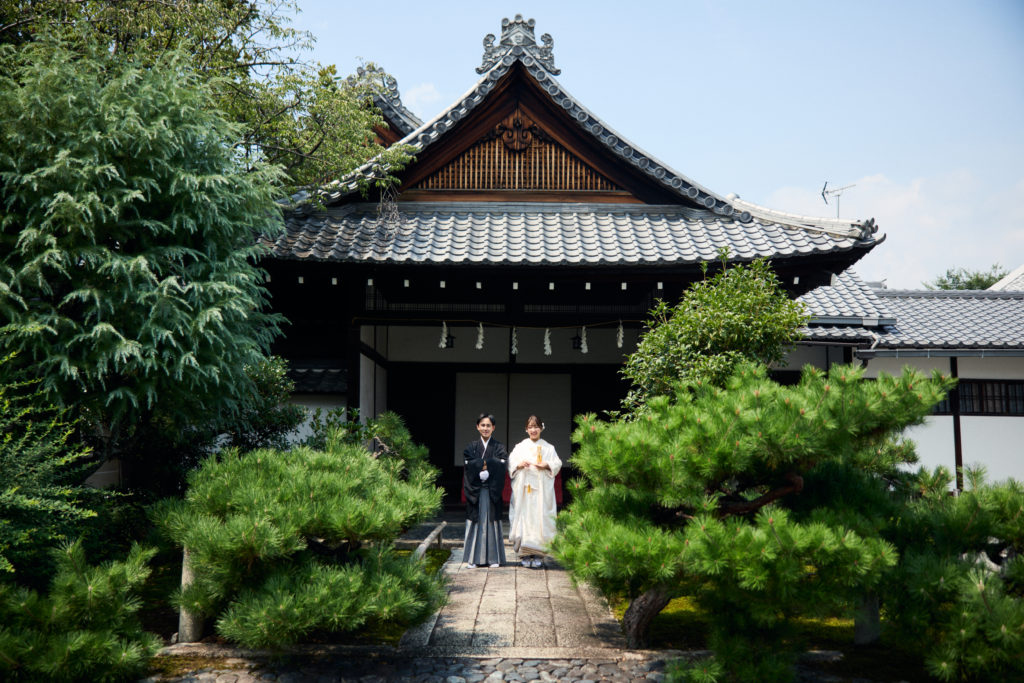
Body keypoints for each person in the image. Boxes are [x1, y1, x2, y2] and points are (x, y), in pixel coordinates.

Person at [508, 415, 562, 568]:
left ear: (541, 428)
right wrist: (519, 465)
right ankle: (525, 554)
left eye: (536, 427)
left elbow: (557, 463)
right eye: (530, 427)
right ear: (526, 429)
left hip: (541, 492)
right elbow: (512, 462)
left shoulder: (548, 447)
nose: (533, 430)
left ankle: (538, 554)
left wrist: (546, 464)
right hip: (525, 491)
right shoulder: (520, 447)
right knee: (525, 520)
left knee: (540, 520)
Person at [462, 412, 508, 568]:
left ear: (493, 427)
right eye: (483, 425)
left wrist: (483, 465)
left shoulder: (499, 447)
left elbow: (503, 464)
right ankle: (472, 559)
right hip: (476, 491)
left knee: (491, 522)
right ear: (477, 427)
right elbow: (468, 464)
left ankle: (494, 559)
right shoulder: (471, 447)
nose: (485, 428)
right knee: (476, 522)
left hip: (491, 491)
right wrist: (488, 464)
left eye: (489, 425)